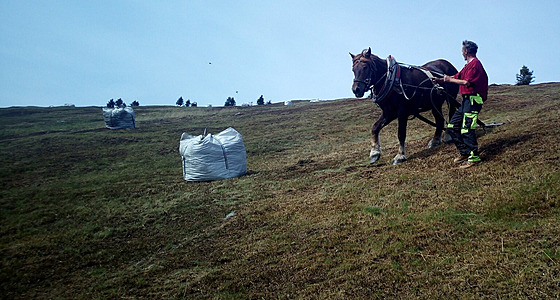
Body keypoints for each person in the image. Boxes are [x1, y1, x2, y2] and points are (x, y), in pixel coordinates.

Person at [435, 40, 488, 169]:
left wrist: (449, 79)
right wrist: (440, 80)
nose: (461, 53)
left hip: (473, 100)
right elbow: (457, 76)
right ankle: (464, 153)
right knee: (452, 126)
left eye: (462, 50)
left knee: (467, 129)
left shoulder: (475, 65)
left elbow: (466, 82)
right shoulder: (467, 66)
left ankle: (474, 157)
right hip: (466, 101)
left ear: (466, 51)